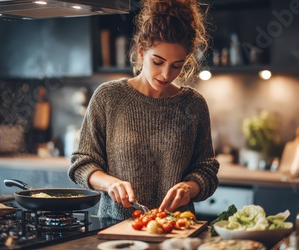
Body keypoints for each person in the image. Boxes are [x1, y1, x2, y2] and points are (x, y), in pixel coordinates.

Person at [68, 0, 219, 221]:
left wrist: (190, 187)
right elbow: (82, 163)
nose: (166, 74)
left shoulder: (193, 105)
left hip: (175, 232)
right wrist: (110, 184)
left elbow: (206, 169)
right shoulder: (109, 97)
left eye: (177, 65)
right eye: (158, 61)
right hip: (115, 230)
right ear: (141, 52)